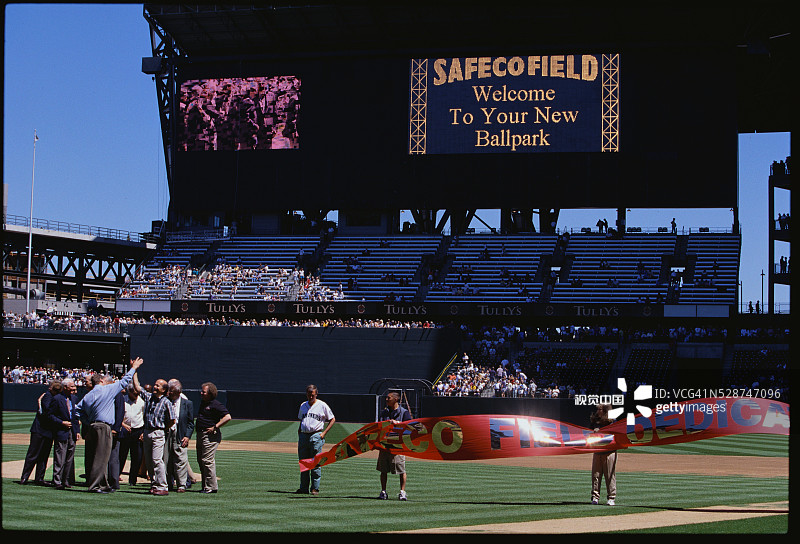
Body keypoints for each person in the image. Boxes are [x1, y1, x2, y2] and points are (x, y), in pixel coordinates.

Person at [75, 358, 142, 493]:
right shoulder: (107, 389)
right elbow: (124, 381)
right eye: (106, 380)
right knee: (101, 457)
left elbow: (77, 411)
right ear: (101, 381)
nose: (109, 382)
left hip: (93, 426)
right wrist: (134, 367)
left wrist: (87, 422)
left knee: (98, 456)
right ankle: (95, 486)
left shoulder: (88, 395)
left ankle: (103, 485)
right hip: (103, 427)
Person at [132, 374, 176, 496]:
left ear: (164, 389)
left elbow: (172, 420)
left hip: (158, 432)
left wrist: (162, 429)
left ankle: (163, 486)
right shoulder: (149, 397)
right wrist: (135, 371)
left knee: (157, 460)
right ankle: (154, 484)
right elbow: (137, 387)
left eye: (158, 385)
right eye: (155, 384)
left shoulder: (167, 402)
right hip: (147, 431)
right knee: (149, 461)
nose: (155, 386)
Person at [19, 380, 61, 485]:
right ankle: (25, 477)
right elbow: (46, 411)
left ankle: (39, 478)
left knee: (43, 456)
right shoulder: (47, 396)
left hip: (48, 431)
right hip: (40, 430)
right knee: (33, 454)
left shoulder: (52, 397)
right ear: (50, 388)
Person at [296, 384, 335, 496]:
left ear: (316, 394)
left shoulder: (322, 405)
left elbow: (332, 419)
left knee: (316, 462)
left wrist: (323, 433)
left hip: (316, 435)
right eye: (309, 395)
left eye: (312, 395)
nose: (310, 397)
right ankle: (303, 488)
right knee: (303, 462)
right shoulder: (303, 405)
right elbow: (301, 419)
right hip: (304, 436)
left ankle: (315, 488)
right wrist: (299, 431)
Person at [195, 381, 231, 494]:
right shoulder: (203, 403)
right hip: (201, 434)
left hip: (210, 436)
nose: (201, 393)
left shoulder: (215, 404)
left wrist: (215, 426)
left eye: (204, 392)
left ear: (210, 393)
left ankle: (211, 487)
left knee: (207, 460)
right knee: (201, 461)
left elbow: (227, 417)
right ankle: (206, 486)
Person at [376, 391, 412, 501]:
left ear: (395, 399)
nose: (386, 399)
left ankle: (402, 492)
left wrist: (398, 424)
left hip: (397, 446)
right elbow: (378, 425)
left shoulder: (404, 413)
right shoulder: (384, 412)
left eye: (389, 398)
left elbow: (410, 427)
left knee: (401, 469)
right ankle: (383, 492)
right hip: (385, 444)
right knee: (383, 470)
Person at [49, 378, 80, 490]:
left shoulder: (74, 399)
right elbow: (50, 415)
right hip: (61, 431)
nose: (74, 389)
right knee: (60, 457)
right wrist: (61, 423)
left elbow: (76, 417)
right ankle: (57, 480)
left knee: (69, 458)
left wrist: (77, 431)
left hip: (72, 431)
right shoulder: (57, 399)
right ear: (65, 387)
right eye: (72, 387)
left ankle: (65, 480)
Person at [165, 379, 194, 493]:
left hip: (180, 434)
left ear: (178, 392)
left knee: (181, 460)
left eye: (171, 391)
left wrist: (187, 436)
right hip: (167, 433)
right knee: (166, 460)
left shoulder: (187, 403)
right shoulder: (165, 401)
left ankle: (181, 484)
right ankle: (168, 483)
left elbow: (190, 423)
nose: (169, 393)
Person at [589, 404, 617, 506]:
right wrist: (594, 432)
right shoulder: (594, 421)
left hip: (609, 451)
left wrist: (601, 432)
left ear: (605, 410)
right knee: (596, 475)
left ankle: (611, 497)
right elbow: (588, 433)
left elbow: (616, 434)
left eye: (599, 409)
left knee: (609, 475)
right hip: (597, 451)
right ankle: (595, 497)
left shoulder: (613, 421)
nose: (597, 411)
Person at [118, 383, 145, 486]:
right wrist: (123, 424)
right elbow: (117, 415)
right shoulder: (123, 400)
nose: (136, 395)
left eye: (137, 393)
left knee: (137, 457)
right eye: (134, 393)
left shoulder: (142, 402)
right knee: (121, 455)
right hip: (125, 430)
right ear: (129, 392)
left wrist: (143, 432)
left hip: (137, 430)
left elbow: (145, 416)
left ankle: (132, 480)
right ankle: (116, 477)